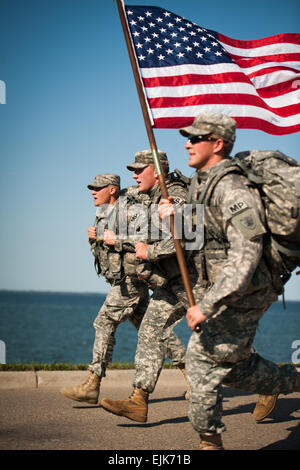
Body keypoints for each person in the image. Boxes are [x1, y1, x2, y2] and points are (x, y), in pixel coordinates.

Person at [158, 112, 300, 450]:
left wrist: (206, 306)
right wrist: (172, 221)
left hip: (248, 288)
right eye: (188, 138)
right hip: (221, 287)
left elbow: (247, 255)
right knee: (231, 366)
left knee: (203, 358)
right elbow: (197, 238)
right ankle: (285, 381)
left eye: (196, 138)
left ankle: (211, 443)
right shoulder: (200, 183)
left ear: (218, 144)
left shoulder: (233, 188)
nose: (188, 143)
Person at [59, 174, 188, 405]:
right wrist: (96, 238)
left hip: (134, 278)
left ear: (111, 190)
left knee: (104, 321)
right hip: (126, 278)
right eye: (92, 188)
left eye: (97, 188)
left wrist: (114, 239)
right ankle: (193, 378)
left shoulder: (130, 210)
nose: (93, 192)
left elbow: (146, 238)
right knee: (154, 331)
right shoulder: (106, 213)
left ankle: (93, 383)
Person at [100, 151, 205, 422]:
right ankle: (139, 399)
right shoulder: (148, 198)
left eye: (139, 170)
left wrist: (152, 253)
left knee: (223, 338)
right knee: (149, 331)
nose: (133, 175)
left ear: (156, 172)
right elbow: (141, 236)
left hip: (194, 280)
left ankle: (272, 382)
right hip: (170, 282)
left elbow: (187, 236)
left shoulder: (176, 194)